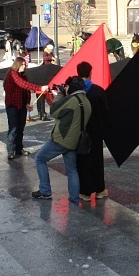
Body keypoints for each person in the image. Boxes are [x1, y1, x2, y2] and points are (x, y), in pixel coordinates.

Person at [32, 76, 91, 205]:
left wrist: (60, 93)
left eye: (67, 86)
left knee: (40, 159)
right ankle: (74, 198)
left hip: (61, 140)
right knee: (72, 170)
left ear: (70, 87)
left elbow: (54, 110)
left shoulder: (71, 99)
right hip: (75, 141)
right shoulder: (85, 100)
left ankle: (45, 191)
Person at [76, 62, 110, 202]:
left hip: (79, 131)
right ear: (90, 72)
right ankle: (99, 189)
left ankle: (84, 191)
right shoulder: (97, 90)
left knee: (81, 160)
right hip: (95, 131)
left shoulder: (74, 91)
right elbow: (105, 112)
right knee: (96, 159)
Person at [4, 57, 49, 159]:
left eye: (25, 65)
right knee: (13, 128)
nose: (24, 67)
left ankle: (19, 149)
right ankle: (11, 150)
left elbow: (26, 92)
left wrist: (27, 104)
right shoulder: (13, 74)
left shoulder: (23, 76)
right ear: (17, 64)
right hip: (12, 106)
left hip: (21, 106)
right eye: (23, 65)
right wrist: (40, 88)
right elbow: (23, 85)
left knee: (20, 128)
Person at [36, 44, 56, 121]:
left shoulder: (49, 53)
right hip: (43, 83)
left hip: (41, 86)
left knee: (41, 98)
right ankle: (42, 113)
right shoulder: (45, 53)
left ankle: (41, 113)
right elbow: (45, 58)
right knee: (41, 98)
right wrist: (52, 58)